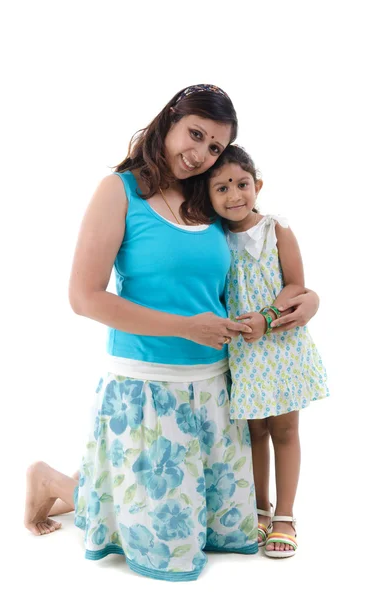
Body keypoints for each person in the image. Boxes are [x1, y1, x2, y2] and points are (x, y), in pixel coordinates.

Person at [24, 86, 321, 580]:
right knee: (167, 543)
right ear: (170, 121)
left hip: (218, 391)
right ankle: (51, 481)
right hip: (145, 388)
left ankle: (88, 481)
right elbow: (84, 298)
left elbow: (257, 263)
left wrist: (307, 297)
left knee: (228, 531)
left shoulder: (210, 198)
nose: (200, 153)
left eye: (214, 148)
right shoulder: (117, 191)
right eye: (196, 134)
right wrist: (186, 327)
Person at [199, 144, 329, 558]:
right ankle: (258, 509)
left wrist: (267, 317)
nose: (234, 195)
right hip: (242, 353)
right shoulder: (215, 237)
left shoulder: (276, 228)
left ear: (257, 185)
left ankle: (285, 516)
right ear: (209, 196)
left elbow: (296, 284)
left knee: (285, 430)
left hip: (280, 345)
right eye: (222, 189)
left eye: (241, 185)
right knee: (254, 431)